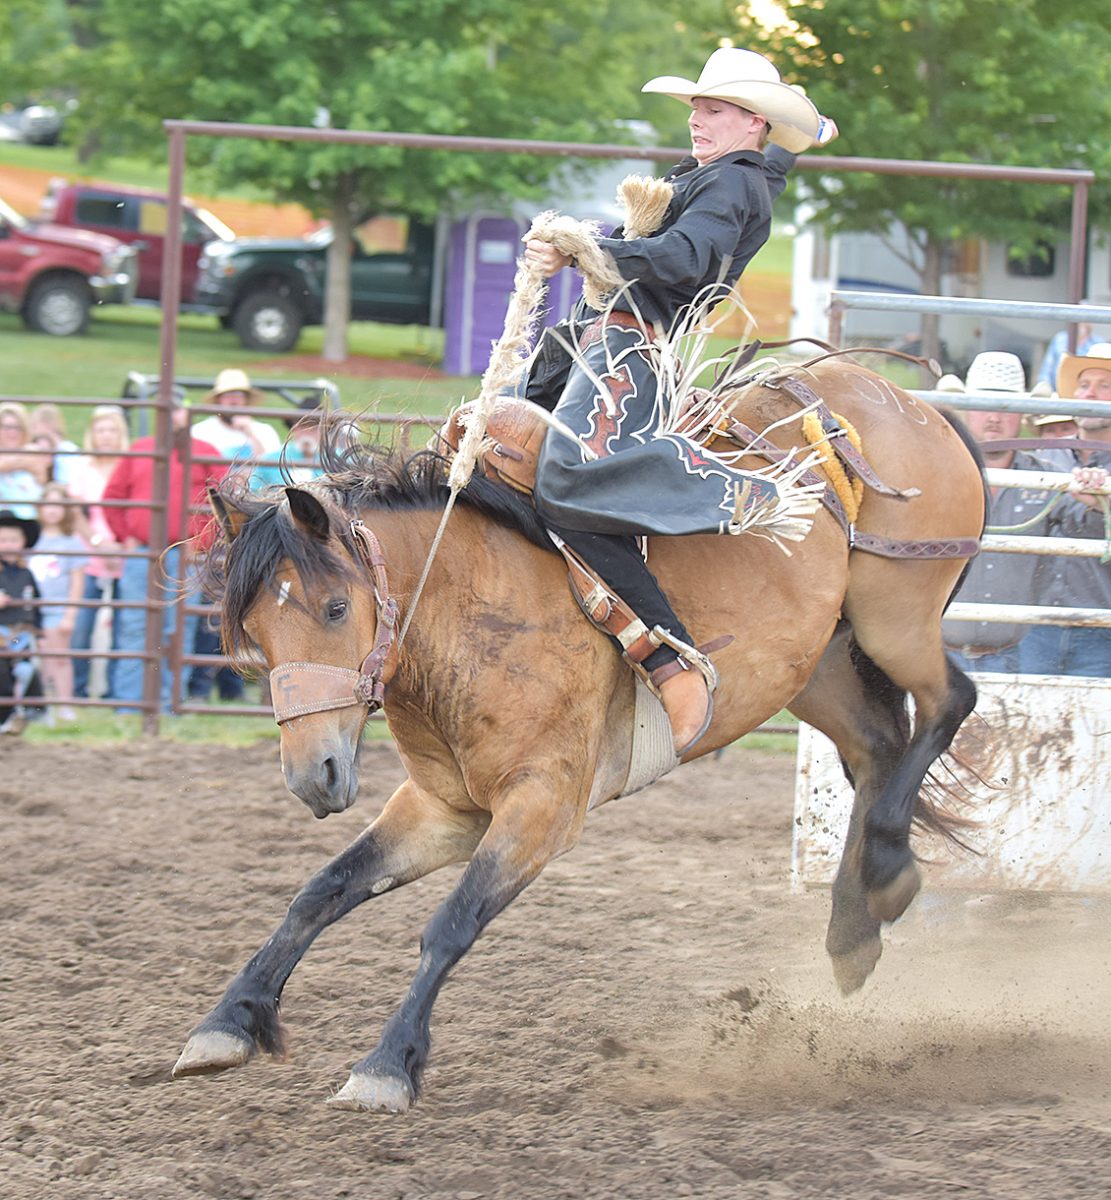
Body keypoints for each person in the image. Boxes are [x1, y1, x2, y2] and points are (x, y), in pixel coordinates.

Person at [522, 46, 837, 755]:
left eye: (713, 109)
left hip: (632, 347)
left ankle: (669, 655)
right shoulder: (725, 176)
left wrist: (584, 251)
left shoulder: (727, 186)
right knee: (496, 451)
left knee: (568, 481)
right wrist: (800, 144)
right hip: (598, 339)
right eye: (695, 107)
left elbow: (689, 259)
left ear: (752, 123)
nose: (696, 119)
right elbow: (754, 182)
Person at [102, 400, 228, 712]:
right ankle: (129, 704)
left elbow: (224, 498)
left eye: (177, 408)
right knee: (134, 625)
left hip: (185, 555)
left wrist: (202, 540)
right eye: (166, 409)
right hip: (142, 553)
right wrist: (125, 535)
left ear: (188, 414)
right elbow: (113, 497)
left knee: (177, 630)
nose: (172, 415)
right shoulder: (141, 449)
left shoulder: (205, 451)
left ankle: (167, 704)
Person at [941, 353, 1050, 673]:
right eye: (984, 405)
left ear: (1021, 414)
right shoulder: (938, 475)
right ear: (968, 410)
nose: (995, 418)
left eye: (1006, 408)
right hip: (942, 653)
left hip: (1021, 654)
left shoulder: (1047, 480)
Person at [1020, 343, 1111, 676]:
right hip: (1033, 625)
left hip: (1102, 626)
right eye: (1085, 385)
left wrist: (1104, 502)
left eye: (1105, 386)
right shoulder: (1042, 459)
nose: (1090, 394)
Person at [67, 405, 130, 701]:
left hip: (124, 553)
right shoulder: (83, 467)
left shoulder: (130, 464)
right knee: (81, 625)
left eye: (112, 430)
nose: (106, 436)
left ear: (121, 434)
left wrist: (120, 544)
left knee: (123, 626)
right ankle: (77, 689)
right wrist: (95, 541)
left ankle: (115, 692)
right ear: (92, 434)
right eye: (101, 430)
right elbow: (74, 511)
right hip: (88, 553)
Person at [27, 482, 86, 722]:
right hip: (31, 609)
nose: (52, 510)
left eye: (58, 505)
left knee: (58, 657)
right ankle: (39, 706)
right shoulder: (30, 539)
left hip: (57, 609)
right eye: (48, 504)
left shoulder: (71, 542)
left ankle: (64, 703)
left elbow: (77, 582)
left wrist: (70, 614)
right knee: (35, 657)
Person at [0, 509, 44, 734]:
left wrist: (39, 630)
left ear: (23, 542)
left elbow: (36, 602)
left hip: (22, 633)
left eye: (13, 540)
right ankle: (5, 716)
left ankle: (28, 713)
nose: (8, 545)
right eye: (3, 539)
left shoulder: (26, 573)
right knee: (3, 672)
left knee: (27, 670)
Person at [190, 368, 282, 467]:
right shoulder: (200, 431)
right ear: (218, 399)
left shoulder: (265, 431)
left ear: (247, 399)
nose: (234, 401)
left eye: (239, 395)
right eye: (228, 395)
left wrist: (249, 433)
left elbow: (271, 471)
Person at [249, 401, 325, 489]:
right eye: (302, 427)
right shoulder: (270, 460)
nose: (307, 432)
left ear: (323, 430)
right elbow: (254, 492)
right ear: (294, 429)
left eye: (313, 427)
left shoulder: (338, 458)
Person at [1036, 309, 1111, 391]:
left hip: (1083, 391)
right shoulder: (1060, 339)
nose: (1082, 323)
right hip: (1056, 390)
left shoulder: (1098, 342)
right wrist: (1044, 388)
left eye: (1086, 319)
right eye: (1079, 319)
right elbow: (1047, 368)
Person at [0, 402, 43, 519]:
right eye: (7, 428)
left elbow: (42, 479)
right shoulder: (30, 454)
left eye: (18, 428)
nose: (12, 433)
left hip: (29, 520)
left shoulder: (34, 451)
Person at [28, 404, 80, 489]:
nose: (31, 431)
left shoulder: (67, 450)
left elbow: (69, 482)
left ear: (47, 424)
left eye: (34, 426)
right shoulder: (34, 446)